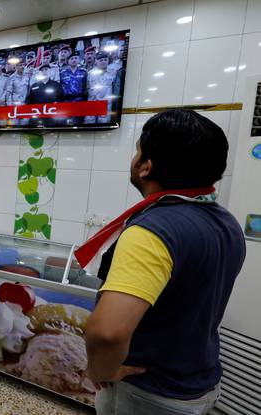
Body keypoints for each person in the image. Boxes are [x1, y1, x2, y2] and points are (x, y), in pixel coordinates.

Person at [82, 109, 246, 415]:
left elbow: (108, 332)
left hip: (149, 395)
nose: (134, 158)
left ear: (146, 167)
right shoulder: (225, 222)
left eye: (138, 151)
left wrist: (100, 372)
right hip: (200, 384)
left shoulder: (152, 231)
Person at [85, 52, 117, 124]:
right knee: (89, 123)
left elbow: (114, 87)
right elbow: (87, 88)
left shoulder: (113, 72)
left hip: (106, 104)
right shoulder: (90, 73)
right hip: (92, 103)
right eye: (101, 60)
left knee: (104, 124)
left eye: (105, 60)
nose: (103, 62)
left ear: (108, 60)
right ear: (96, 61)